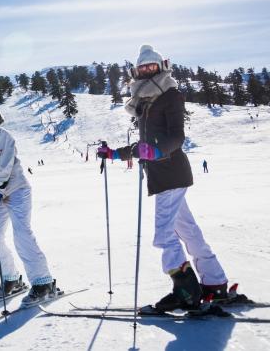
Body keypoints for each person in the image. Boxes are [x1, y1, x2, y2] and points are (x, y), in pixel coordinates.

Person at [98, 44, 230, 312]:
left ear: (161, 67)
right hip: (161, 175)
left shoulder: (170, 95)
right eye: (143, 67)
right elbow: (143, 145)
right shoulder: (144, 103)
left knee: (163, 235)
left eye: (152, 66)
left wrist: (157, 150)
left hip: (171, 172)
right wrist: (113, 153)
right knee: (188, 231)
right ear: (136, 71)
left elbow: (177, 137)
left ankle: (186, 292)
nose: (147, 70)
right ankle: (215, 284)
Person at [0, 97, 55, 306]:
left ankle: (43, 282)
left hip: (17, 190)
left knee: (21, 234)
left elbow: (5, 166)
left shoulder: (4, 137)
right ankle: (11, 279)